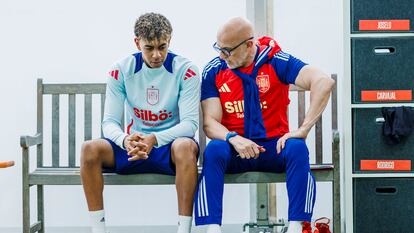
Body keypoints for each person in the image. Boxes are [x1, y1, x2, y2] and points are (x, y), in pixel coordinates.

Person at [194, 17, 334, 233]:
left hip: (273, 147)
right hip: (236, 149)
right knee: (214, 149)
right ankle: (213, 228)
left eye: (227, 51)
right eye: (218, 48)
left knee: (297, 147)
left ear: (249, 44)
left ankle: (296, 227)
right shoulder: (214, 69)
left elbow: (324, 81)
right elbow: (210, 123)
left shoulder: (276, 60)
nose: (222, 56)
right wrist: (233, 138)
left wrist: (303, 129)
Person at [80, 12, 200, 233]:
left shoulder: (187, 70)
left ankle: (184, 230)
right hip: (133, 147)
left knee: (186, 146)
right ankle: (98, 230)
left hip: (168, 147)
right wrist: (125, 140)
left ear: (170, 41)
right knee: (89, 149)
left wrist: (154, 139)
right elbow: (109, 122)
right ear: (137, 43)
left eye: (162, 47)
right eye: (149, 48)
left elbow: (190, 124)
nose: (156, 54)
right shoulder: (120, 69)